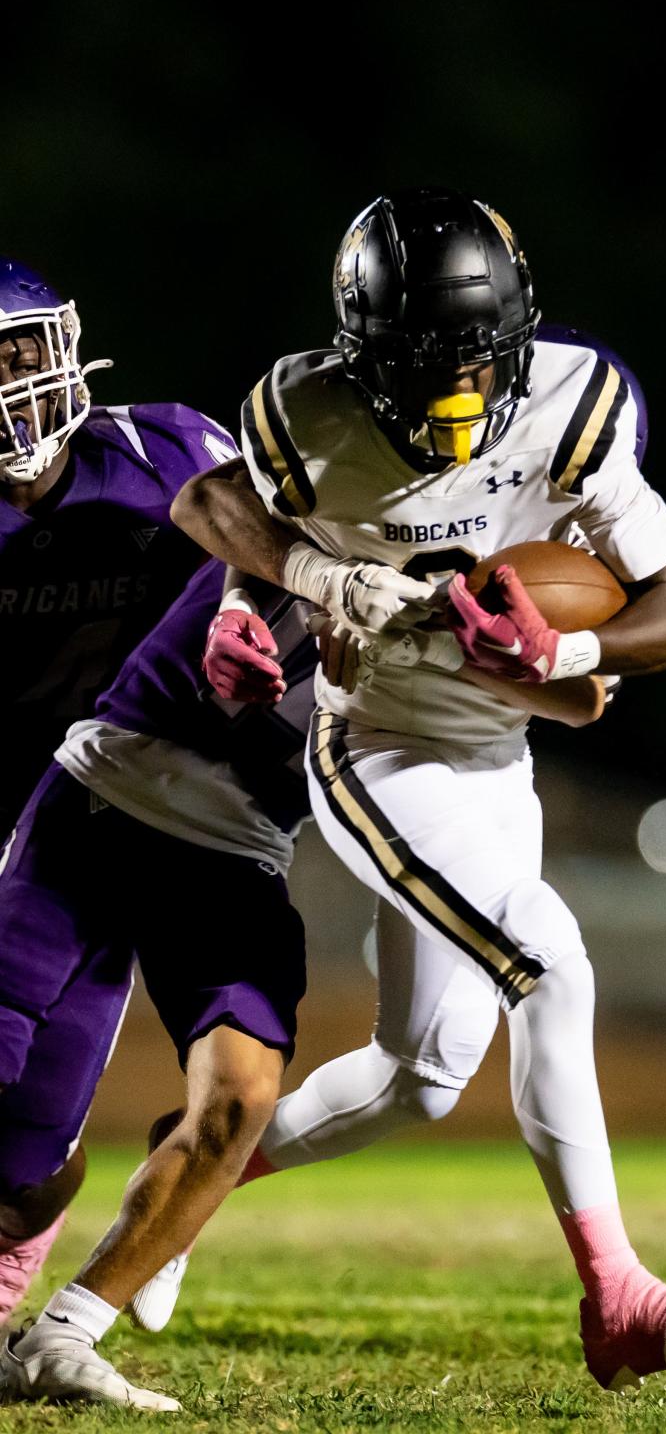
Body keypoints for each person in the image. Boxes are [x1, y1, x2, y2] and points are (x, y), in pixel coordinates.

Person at [162, 188, 666, 1392]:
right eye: (423, 371)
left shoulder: (572, 403)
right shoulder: (305, 408)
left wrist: (570, 652)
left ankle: (173, 1193)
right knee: (551, 961)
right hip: (379, 745)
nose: (456, 399)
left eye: (478, 366)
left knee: (420, 1078)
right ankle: (620, 1299)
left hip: (501, 752)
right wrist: (263, 602)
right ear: (361, 354)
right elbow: (216, 504)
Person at [0, 563, 609, 1410]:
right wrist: (299, 587)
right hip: (112, 785)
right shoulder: (311, 508)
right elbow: (224, 503)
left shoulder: (479, 583)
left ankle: (61, 1338)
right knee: (15, 1105)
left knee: (241, 1101)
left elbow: (587, 699)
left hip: (239, 845)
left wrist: (532, 653)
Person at [0, 259, 238, 1332]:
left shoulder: (165, 453)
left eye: (20, 352)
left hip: (115, 820)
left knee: (33, 1147)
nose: (14, 384)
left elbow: (282, 553)